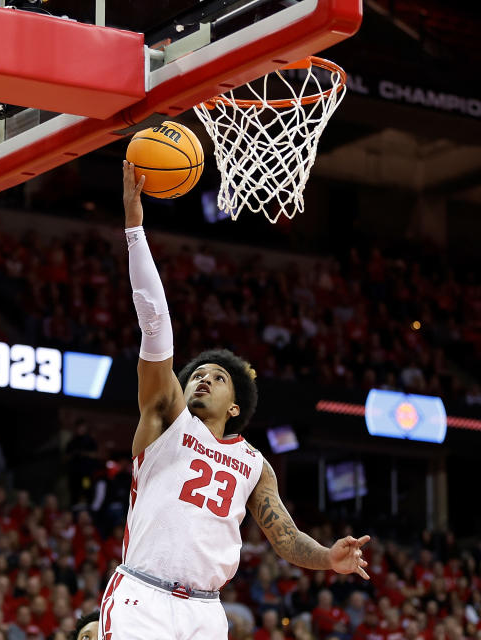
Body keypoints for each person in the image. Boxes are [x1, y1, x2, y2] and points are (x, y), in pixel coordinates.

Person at [100, 162, 372, 640]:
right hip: (143, 596)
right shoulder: (166, 418)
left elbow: (285, 537)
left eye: (217, 376)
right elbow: (156, 323)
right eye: (196, 374)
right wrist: (135, 229)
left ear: (234, 407)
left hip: (206, 611)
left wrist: (328, 557)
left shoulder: (254, 464)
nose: (202, 379)